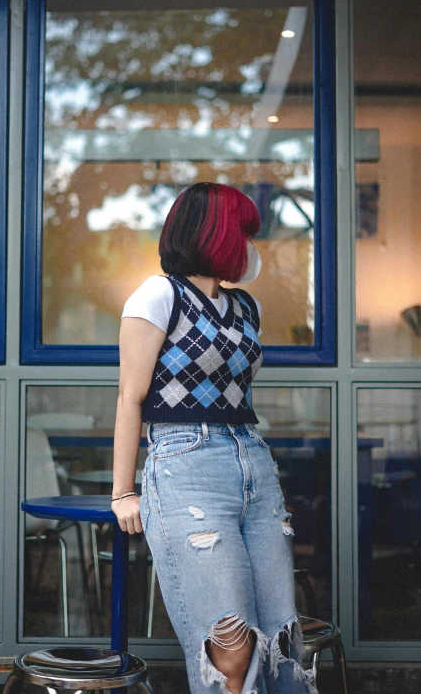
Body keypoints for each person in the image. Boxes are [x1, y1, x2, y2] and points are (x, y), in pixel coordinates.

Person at [111, 182, 317, 694]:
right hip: (186, 464)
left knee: (278, 636)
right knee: (230, 644)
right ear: (217, 234)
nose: (250, 247)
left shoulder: (247, 307)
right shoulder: (159, 295)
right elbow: (129, 398)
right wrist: (123, 491)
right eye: (244, 233)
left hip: (253, 460)